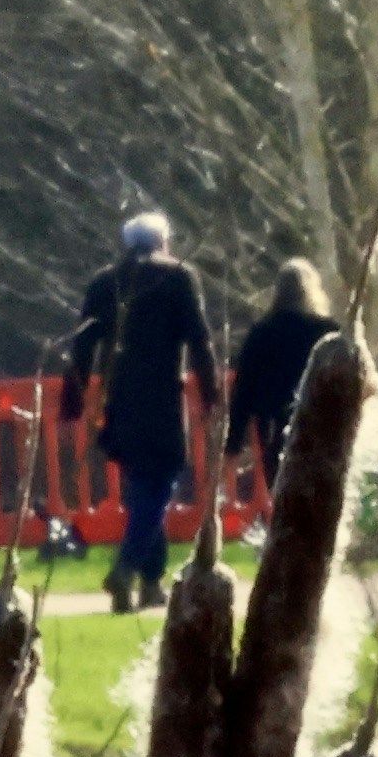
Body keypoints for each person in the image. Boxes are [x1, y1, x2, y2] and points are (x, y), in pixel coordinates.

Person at [62, 212, 223, 604]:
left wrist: (73, 398)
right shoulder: (178, 277)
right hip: (163, 397)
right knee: (161, 480)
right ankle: (126, 568)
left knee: (142, 487)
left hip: (119, 398)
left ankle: (150, 586)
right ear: (163, 242)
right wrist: (211, 394)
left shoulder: (105, 282)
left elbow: (82, 345)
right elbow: (200, 341)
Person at [223, 252, 336, 530]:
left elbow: (243, 390)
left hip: (273, 424)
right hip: (319, 420)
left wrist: (233, 443)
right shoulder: (327, 332)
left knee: (284, 489)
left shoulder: (262, 333)